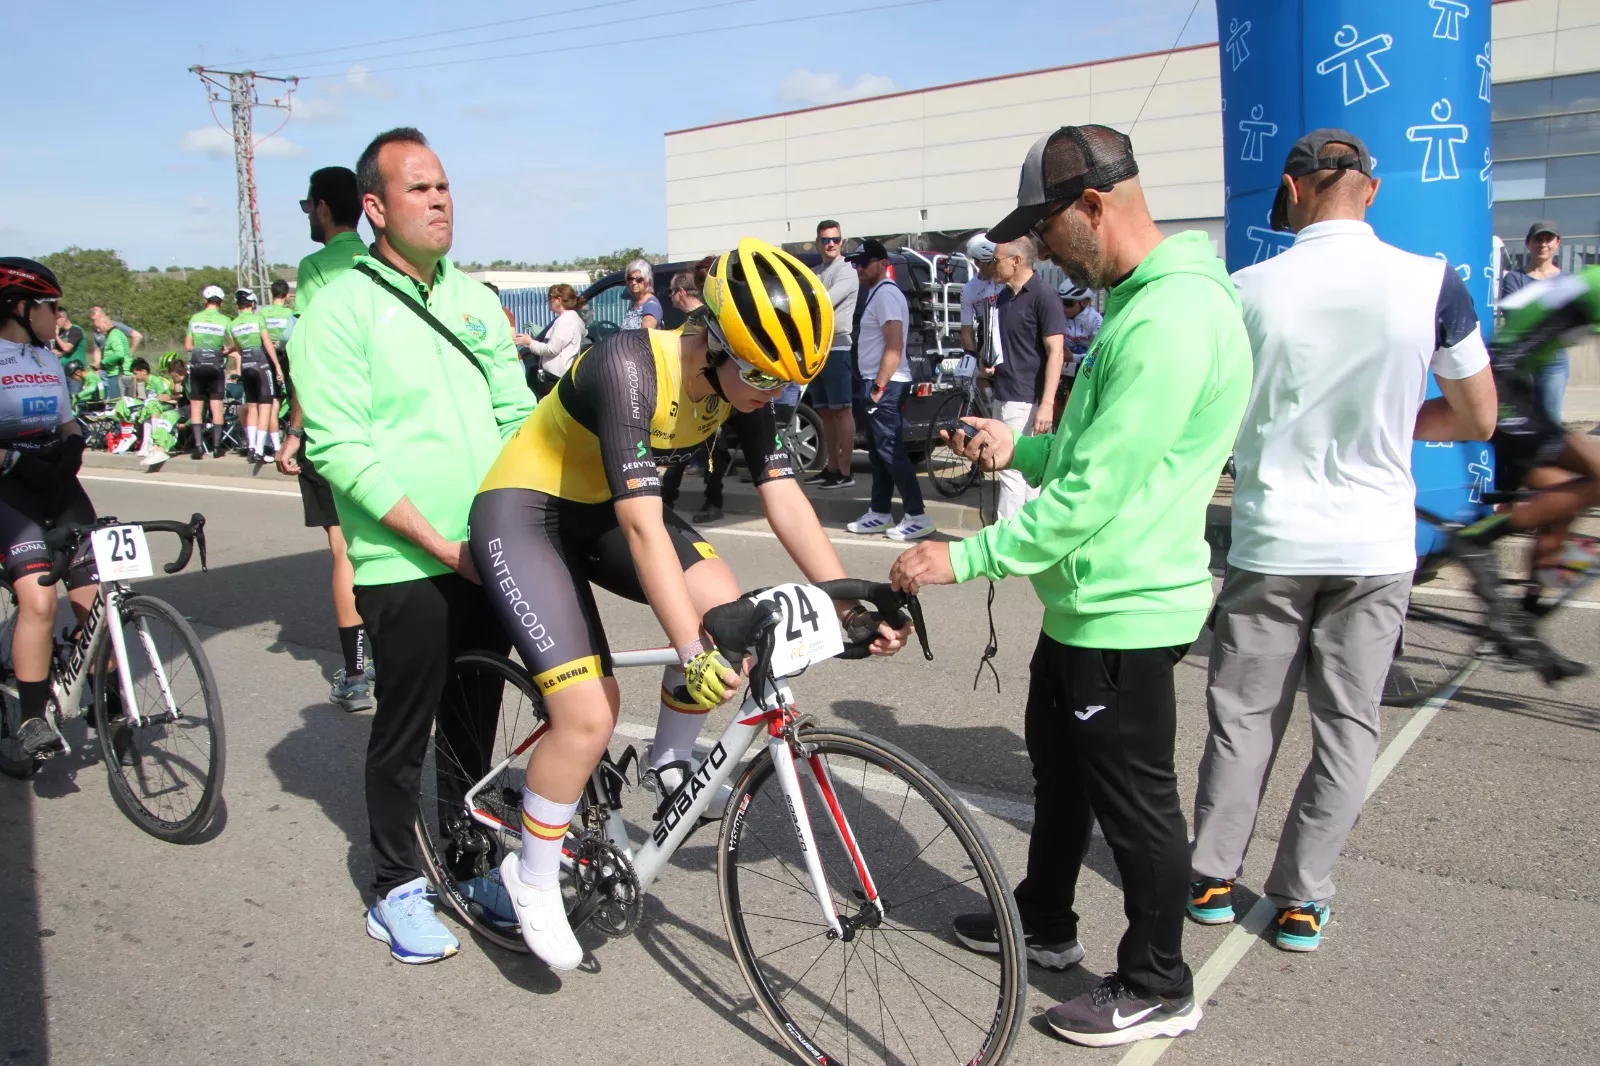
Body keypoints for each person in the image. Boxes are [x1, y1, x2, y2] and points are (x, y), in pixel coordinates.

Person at [890, 124, 1252, 1048]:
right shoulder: (1142, 302)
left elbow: (1101, 490)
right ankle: (1045, 919)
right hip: (1088, 601)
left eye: (1045, 228)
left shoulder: (1171, 318)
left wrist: (963, 557)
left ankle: (1158, 982)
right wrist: (1022, 446)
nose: (1038, 248)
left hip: (1124, 608)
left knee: (1136, 808)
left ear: (1093, 205)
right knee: (1060, 774)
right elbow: (1092, 455)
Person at [469, 235, 908, 971]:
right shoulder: (630, 366)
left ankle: (670, 761)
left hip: (605, 513)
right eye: (766, 376)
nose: (774, 395)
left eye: (788, 383)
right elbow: (643, 525)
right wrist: (691, 647)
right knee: (590, 710)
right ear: (716, 344)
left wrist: (847, 601)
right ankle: (532, 876)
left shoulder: (745, 377)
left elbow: (782, 495)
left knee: (731, 613)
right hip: (527, 515)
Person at [1188, 129, 1499, 957]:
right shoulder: (1432, 282)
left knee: (1244, 717)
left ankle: (1213, 877)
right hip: (1374, 541)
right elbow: (1478, 416)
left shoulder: (1244, 288)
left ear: (1291, 192)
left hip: (1273, 536)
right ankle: (1300, 899)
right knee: (1348, 725)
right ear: (1374, 190)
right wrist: (1402, 424)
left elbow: (1211, 413)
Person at [292, 127, 536, 964]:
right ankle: (395, 884)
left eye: (445, 187)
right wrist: (440, 541)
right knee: (406, 727)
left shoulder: (473, 298)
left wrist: (520, 523)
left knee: (474, 722)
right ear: (375, 207)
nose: (439, 201)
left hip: (487, 547)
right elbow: (339, 448)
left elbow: (515, 416)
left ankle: (468, 867)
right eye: (420, 188)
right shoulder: (338, 307)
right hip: (406, 559)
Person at [277, 163, 373, 714]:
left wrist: (295, 430)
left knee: (344, 548)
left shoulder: (316, 267)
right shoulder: (379, 260)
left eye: (306, 207)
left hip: (333, 423)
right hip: (383, 421)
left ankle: (358, 676)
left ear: (320, 207)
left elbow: (307, 357)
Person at [0, 259, 102, 760]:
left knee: (97, 597)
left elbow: (66, 421)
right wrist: (16, 456)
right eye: (51, 307)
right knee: (39, 600)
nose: (58, 318)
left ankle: (109, 694)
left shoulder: (47, 360)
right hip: (9, 487)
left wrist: (74, 443)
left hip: (55, 480)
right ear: (21, 308)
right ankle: (34, 718)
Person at [844, 239, 932, 541]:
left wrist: (879, 386)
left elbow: (894, 345)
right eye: (855, 262)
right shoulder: (879, 294)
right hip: (879, 380)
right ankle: (880, 512)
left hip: (886, 382)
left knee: (891, 451)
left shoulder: (886, 294)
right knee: (880, 453)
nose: (858, 268)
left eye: (863, 262)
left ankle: (917, 515)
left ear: (882, 263)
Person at [989, 238, 1066, 518]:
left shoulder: (1044, 296)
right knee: (1024, 474)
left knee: (1013, 470)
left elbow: (1056, 351)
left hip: (1026, 398)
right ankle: (1023, 544)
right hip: (1004, 391)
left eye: (997, 260)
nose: (992, 266)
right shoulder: (1004, 297)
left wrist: (1046, 404)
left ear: (1016, 260)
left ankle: (1004, 546)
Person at [659, 270, 731, 523]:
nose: (670, 298)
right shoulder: (698, 319)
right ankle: (668, 499)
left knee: (711, 451)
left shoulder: (701, 320)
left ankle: (712, 502)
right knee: (683, 449)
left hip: (706, 397)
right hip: (695, 397)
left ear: (681, 292)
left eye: (671, 292)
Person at [802, 219, 858, 489]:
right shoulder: (815, 272)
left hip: (837, 347)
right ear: (818, 243)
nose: (831, 244)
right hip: (816, 349)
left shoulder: (846, 271)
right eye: (826, 240)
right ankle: (832, 467)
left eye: (835, 239)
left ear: (842, 241)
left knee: (842, 411)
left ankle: (845, 471)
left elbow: (820, 302)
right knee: (824, 411)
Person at [1501, 221, 1567, 421]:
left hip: (1554, 362)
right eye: (1538, 239)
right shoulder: (1514, 279)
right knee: (1519, 419)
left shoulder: (1566, 280)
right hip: (1521, 361)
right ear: (1528, 243)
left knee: (1550, 421)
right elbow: (1514, 319)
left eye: (1548, 239)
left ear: (1557, 243)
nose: (1543, 244)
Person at [228, 288, 283, 464]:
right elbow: (267, 343)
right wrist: (277, 366)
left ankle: (252, 446)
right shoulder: (258, 318)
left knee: (252, 406)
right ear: (252, 304)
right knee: (266, 407)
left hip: (246, 365)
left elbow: (237, 347)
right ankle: (259, 449)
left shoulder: (233, 324)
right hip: (261, 364)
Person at [183, 284, 232, 459]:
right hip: (216, 365)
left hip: (197, 365)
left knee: (196, 406)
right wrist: (225, 349)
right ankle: (217, 447)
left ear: (205, 301)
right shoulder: (225, 320)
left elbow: (188, 346)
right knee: (216, 406)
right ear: (221, 302)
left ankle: (198, 447)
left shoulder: (195, 318)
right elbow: (235, 343)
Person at [522, 282, 584, 398]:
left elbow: (552, 349)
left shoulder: (565, 321)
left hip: (555, 377)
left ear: (559, 300)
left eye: (550, 298)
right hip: (560, 375)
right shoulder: (572, 318)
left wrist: (529, 342)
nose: (549, 302)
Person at [1055, 280, 1102, 413]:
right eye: (1061, 302)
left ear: (1085, 302)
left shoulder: (1095, 320)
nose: (1064, 308)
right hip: (1065, 368)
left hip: (1087, 368)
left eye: (1068, 304)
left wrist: (1074, 358)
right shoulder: (1060, 316)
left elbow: (1098, 355)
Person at [959, 232, 1000, 358]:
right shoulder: (968, 289)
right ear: (979, 263)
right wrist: (972, 358)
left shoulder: (1006, 279)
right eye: (992, 262)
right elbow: (966, 331)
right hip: (986, 335)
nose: (996, 266)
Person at [89, 307, 135, 400]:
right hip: (120, 373)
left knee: (116, 403)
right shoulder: (113, 334)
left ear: (105, 323)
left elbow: (119, 354)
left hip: (119, 374)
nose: (97, 330)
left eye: (98, 327)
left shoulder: (114, 335)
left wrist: (102, 363)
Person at [620, 258, 663, 330]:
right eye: (630, 278)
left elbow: (644, 337)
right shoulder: (633, 303)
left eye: (639, 279)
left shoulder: (651, 305)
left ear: (647, 280)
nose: (634, 282)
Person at [53, 307, 94, 374]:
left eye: (56, 319)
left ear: (64, 318)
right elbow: (57, 351)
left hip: (74, 371)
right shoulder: (60, 332)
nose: (55, 322)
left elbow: (66, 348)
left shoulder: (75, 330)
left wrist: (56, 336)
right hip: (62, 369)